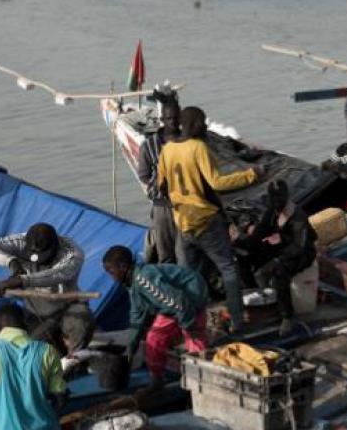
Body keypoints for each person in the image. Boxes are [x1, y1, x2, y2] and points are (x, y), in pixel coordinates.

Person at [158, 105, 259, 335]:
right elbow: (217, 183)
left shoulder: (168, 150)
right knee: (228, 269)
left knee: (187, 276)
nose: (205, 126)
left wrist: (178, 204)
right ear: (193, 125)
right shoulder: (199, 147)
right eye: (202, 122)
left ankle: (189, 324)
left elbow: (161, 186)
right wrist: (252, 174)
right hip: (206, 222)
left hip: (183, 224)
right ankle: (237, 321)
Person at [102, 245, 209, 391]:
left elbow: (180, 302)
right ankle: (156, 381)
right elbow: (136, 316)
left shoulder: (145, 280)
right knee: (153, 339)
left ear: (123, 266)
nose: (112, 277)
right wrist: (131, 348)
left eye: (111, 272)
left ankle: (202, 382)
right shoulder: (132, 285)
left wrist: (188, 326)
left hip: (192, 294)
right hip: (173, 305)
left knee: (194, 339)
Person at [0, 223, 94, 355]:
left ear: (56, 245)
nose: (39, 261)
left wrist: (21, 280)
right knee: (34, 347)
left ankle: (74, 361)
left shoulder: (73, 252)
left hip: (68, 305)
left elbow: (56, 275)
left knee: (80, 320)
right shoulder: (21, 241)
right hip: (37, 310)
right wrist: (11, 262)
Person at [232, 180, 318, 336]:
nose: (276, 202)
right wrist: (237, 241)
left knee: (280, 270)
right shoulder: (271, 213)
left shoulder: (297, 216)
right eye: (274, 198)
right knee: (244, 257)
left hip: (302, 252)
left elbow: (300, 246)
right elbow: (257, 237)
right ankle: (257, 297)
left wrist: (282, 241)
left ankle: (287, 316)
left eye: (279, 198)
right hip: (280, 246)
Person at [136, 92, 181, 264]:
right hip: (162, 206)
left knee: (186, 252)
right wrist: (158, 185)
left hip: (186, 205)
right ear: (162, 119)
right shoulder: (149, 145)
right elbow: (144, 174)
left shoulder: (187, 142)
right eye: (169, 118)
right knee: (166, 252)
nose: (173, 122)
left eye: (176, 118)